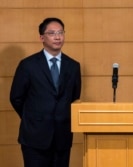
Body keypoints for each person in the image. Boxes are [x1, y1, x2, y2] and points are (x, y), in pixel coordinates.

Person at [10, 17, 82, 167]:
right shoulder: (28, 65)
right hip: (34, 137)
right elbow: (16, 98)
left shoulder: (73, 66)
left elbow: (75, 96)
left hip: (62, 137)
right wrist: (32, 117)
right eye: (52, 33)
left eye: (60, 32)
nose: (57, 37)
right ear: (42, 37)